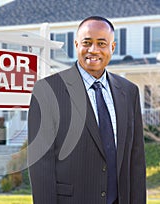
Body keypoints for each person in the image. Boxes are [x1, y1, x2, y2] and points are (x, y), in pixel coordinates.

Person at [27, 16, 146, 204]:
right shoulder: (48, 90)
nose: (93, 50)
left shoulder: (129, 92)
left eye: (101, 43)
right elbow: (41, 164)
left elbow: (136, 160)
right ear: (76, 44)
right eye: (87, 43)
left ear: (112, 48)